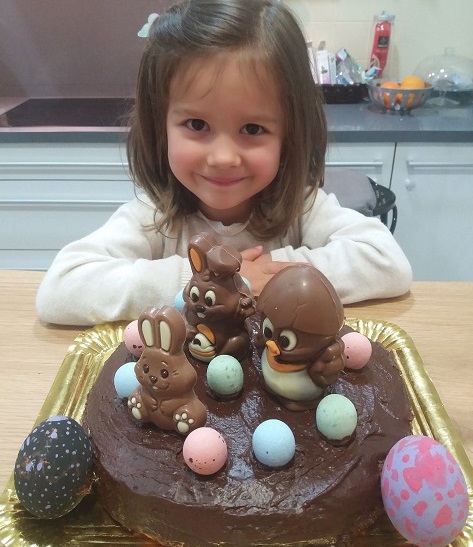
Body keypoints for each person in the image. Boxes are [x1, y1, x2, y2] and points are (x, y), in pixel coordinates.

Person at [36, 0, 412, 326]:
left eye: (252, 128)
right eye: (197, 125)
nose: (223, 158)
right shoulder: (156, 217)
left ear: (290, 134)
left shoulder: (301, 207)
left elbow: (386, 262)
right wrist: (209, 281)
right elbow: (61, 288)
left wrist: (271, 276)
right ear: (159, 126)